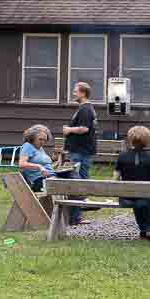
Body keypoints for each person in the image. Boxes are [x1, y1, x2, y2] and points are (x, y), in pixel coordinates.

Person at [114, 126, 150, 240]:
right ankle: (148, 230)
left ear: (130, 139)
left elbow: (115, 179)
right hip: (145, 197)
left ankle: (145, 230)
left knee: (138, 201)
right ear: (147, 140)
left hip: (125, 198)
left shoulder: (122, 156)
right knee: (145, 201)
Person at [62, 81, 97, 225]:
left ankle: (75, 217)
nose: (73, 93)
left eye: (75, 91)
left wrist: (69, 130)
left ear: (83, 93)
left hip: (81, 151)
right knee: (80, 181)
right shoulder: (85, 108)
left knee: (77, 183)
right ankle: (75, 217)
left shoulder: (85, 109)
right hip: (81, 150)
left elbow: (84, 129)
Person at [17, 125, 56, 191]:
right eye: (40, 139)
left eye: (45, 140)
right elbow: (22, 164)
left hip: (50, 177)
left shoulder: (40, 148)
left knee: (71, 176)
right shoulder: (28, 146)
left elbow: (48, 166)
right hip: (39, 180)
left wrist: (59, 158)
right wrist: (39, 167)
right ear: (33, 137)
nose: (42, 142)